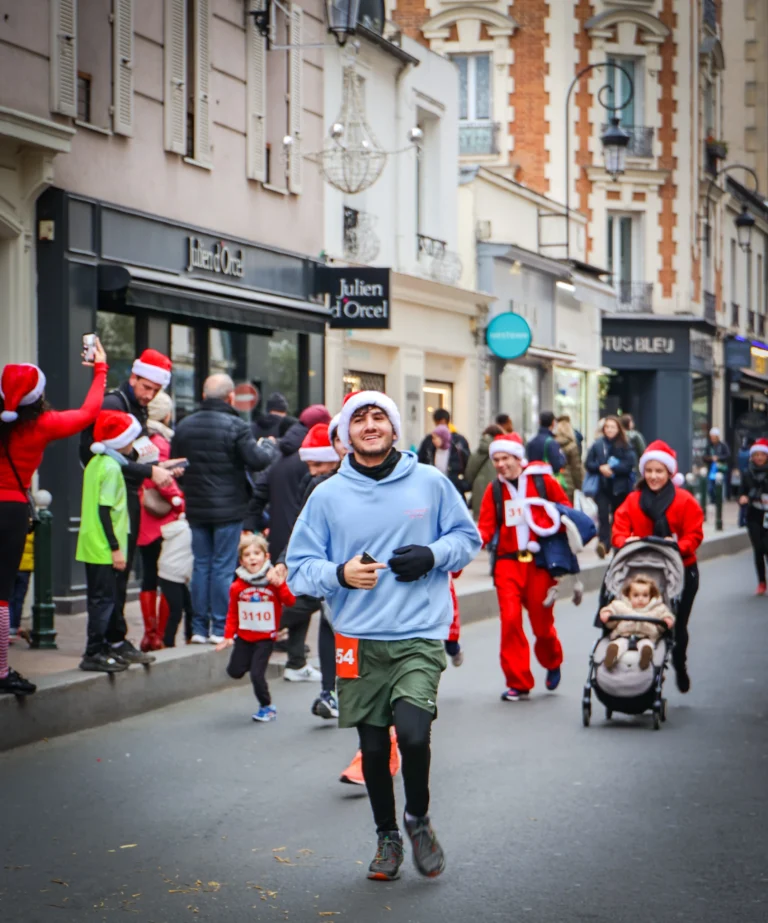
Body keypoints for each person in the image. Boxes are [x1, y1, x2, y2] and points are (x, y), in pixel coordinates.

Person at [287, 390, 481, 882]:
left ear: (395, 430)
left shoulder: (431, 482)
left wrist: (433, 555)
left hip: (418, 632)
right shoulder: (327, 495)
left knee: (413, 735)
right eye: (359, 419)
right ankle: (387, 837)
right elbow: (298, 570)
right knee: (373, 748)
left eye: (379, 418)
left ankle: (417, 816)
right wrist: (340, 573)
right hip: (356, 638)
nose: (369, 425)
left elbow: (468, 539)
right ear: (345, 435)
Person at [0, 343, 108, 695]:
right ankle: (0, 671)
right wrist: (100, 368)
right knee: (2, 595)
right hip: (12, 511)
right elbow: (89, 412)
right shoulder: (44, 425)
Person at [79, 347, 181, 666]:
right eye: (146, 387)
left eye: (155, 390)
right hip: (116, 497)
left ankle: (115, 639)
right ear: (133, 377)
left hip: (127, 493)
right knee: (113, 575)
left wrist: (160, 465)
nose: (149, 395)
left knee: (120, 576)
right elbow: (106, 455)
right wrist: (152, 470)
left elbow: (131, 452)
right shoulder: (115, 403)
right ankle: (106, 643)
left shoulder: (131, 403)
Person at [171, 373, 276, 644]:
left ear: (204, 396)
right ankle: (219, 628)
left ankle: (197, 628)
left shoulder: (184, 426)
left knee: (201, 565)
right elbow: (257, 461)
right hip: (229, 508)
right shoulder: (237, 426)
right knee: (222, 566)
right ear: (230, 397)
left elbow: (175, 465)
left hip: (196, 506)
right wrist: (268, 448)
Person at [477, 432, 570, 702]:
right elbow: (484, 528)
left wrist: (545, 516)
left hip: (539, 563)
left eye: (505, 458)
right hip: (507, 562)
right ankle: (518, 682)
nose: (500, 464)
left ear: (518, 457)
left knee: (542, 625)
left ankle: (552, 660)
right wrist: (464, 550)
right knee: (510, 621)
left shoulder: (543, 481)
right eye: (496, 459)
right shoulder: (494, 489)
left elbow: (564, 508)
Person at [246, 404, 331, 680]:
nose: (314, 470)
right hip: (301, 540)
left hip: (282, 535)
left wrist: (254, 525)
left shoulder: (281, 457)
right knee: (310, 598)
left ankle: (295, 660)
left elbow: (259, 491)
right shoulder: (317, 471)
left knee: (303, 593)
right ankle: (264, 626)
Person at [612, 440, 704, 693]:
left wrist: (676, 545)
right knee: (639, 617)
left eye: (659, 471)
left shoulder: (684, 501)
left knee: (677, 622)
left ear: (669, 473)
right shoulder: (632, 500)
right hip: (642, 572)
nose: (653, 476)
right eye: (649, 471)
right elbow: (618, 530)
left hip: (681, 569)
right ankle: (643, 665)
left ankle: (679, 662)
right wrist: (624, 540)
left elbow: (694, 534)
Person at [76, 410, 143, 673]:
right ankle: (94, 651)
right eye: (129, 439)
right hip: (104, 546)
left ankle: (101, 648)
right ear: (119, 441)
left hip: (92, 543)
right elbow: (106, 511)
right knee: (104, 601)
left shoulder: (95, 462)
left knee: (99, 598)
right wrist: (116, 549)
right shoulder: (112, 468)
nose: (132, 445)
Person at [216, 534, 295, 722]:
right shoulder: (237, 586)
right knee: (234, 672)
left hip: (265, 638)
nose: (252, 557)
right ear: (241, 561)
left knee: (257, 674)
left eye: (257, 553)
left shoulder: (273, 581)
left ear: (266, 557)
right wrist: (228, 635)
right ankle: (250, 669)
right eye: (247, 554)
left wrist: (280, 585)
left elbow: (290, 601)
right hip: (244, 637)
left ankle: (267, 706)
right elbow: (233, 612)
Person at [136, 390, 184, 651]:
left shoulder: (142, 440)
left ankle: (149, 633)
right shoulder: (162, 442)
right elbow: (161, 478)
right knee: (166, 575)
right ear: (165, 414)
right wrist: (178, 500)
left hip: (145, 517)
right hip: (164, 520)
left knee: (148, 577)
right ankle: (160, 634)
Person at [599, 574, 675, 671]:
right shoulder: (622, 605)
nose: (640, 599)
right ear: (628, 596)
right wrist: (607, 613)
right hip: (623, 635)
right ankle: (613, 654)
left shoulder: (656, 608)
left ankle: (646, 656)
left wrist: (667, 620)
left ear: (651, 596)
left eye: (645, 595)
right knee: (618, 644)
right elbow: (612, 609)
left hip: (646, 636)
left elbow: (665, 614)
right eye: (636, 595)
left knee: (647, 645)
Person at [586, 416, 637, 558]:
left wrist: (613, 468)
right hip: (602, 487)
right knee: (602, 515)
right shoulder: (598, 445)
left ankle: (616, 544)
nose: (609, 430)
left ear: (618, 429)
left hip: (620, 489)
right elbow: (588, 463)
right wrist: (600, 468)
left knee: (617, 517)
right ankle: (603, 543)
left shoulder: (626, 444)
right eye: (607, 427)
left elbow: (629, 464)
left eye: (612, 427)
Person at [157, 509, 195, 647]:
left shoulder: (178, 527)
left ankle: (179, 638)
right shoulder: (192, 531)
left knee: (185, 608)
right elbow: (191, 558)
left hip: (167, 572)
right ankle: (168, 641)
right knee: (178, 610)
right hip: (174, 574)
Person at [738, 437, 768, 594]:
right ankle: (761, 582)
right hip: (754, 514)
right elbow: (741, 492)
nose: (758, 458)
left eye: (762, 455)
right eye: (755, 455)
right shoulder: (747, 472)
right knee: (758, 548)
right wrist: (742, 498)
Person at [417, 408, 470, 490]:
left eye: (442, 423)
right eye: (438, 423)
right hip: (433, 486)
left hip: (454, 486)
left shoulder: (458, 442)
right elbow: (420, 460)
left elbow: (468, 463)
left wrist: (462, 483)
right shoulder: (429, 441)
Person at [465, 424, 504, 520]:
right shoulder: (503, 452)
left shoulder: (477, 453)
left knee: (482, 522)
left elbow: (469, 475)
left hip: (480, 491)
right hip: (500, 490)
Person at [9, 531, 33, 645]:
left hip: (11, 565)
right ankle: (14, 627)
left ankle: (8, 628)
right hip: (26, 567)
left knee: (8, 599)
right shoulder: (33, 528)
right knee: (19, 599)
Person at [427, 424, 466, 495]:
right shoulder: (432, 451)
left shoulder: (455, 451)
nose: (433, 441)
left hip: (453, 488)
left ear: (443, 437)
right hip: (436, 488)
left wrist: (462, 484)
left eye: (435, 438)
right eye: (432, 438)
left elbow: (465, 468)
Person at [554, 416, 584, 503]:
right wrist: (579, 485)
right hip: (568, 484)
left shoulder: (551, 443)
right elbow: (576, 468)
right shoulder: (572, 446)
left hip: (555, 481)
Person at [704, 427, 731, 501]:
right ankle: (713, 499)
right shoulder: (709, 446)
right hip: (711, 469)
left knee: (720, 485)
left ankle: (720, 500)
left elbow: (728, 455)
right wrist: (710, 458)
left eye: (714, 437)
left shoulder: (723, 445)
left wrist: (718, 458)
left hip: (720, 469)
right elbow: (704, 457)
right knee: (710, 487)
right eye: (711, 437)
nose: (712, 439)